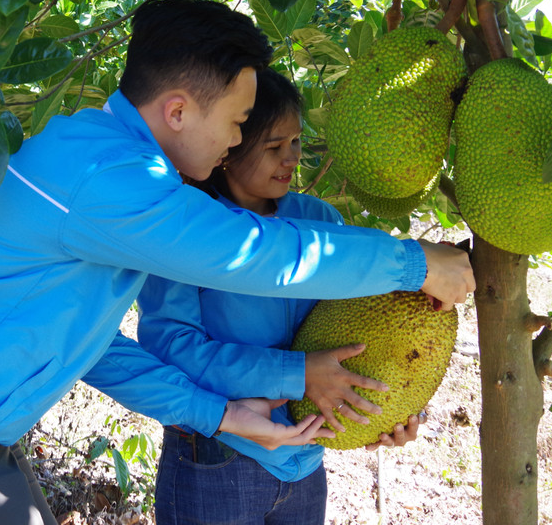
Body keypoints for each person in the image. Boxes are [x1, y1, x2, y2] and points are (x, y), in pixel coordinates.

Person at [0, 0, 475, 525]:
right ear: (180, 110)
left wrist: (218, 415)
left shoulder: (105, 170)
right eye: (238, 120)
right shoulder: (107, 180)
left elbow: (95, 349)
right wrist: (415, 264)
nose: (238, 141)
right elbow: (253, 256)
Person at [137, 68, 430, 524]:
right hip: (218, 454)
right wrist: (297, 374)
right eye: (274, 146)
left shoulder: (322, 221)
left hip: (306, 463)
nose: (291, 158)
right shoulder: (186, 226)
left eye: (295, 142)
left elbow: (366, 331)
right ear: (228, 145)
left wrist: (384, 412)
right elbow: (172, 349)